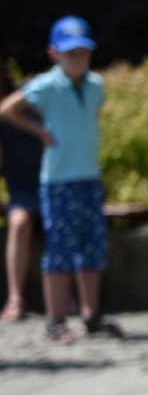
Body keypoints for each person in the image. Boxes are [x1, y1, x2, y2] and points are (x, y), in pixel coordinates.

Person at [0, 17, 121, 344]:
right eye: (71, 53)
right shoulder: (47, 85)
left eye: (83, 52)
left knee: (92, 248)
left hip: (89, 177)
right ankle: (55, 319)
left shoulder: (95, 85)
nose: (78, 58)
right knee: (60, 250)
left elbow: (91, 118)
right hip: (59, 181)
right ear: (54, 53)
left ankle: (91, 314)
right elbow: (8, 109)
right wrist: (39, 132)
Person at [1, 69, 44, 321]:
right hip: (21, 189)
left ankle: (63, 294)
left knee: (63, 222)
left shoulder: (24, 96)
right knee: (19, 222)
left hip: (51, 181)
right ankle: (15, 297)